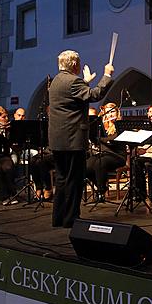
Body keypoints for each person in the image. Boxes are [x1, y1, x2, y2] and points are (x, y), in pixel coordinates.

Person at [49, 50, 114, 227]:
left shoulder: (56, 81)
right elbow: (94, 95)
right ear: (74, 65)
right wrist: (106, 75)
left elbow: (71, 97)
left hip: (58, 140)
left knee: (62, 179)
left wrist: (85, 82)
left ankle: (58, 218)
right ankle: (71, 219)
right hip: (72, 140)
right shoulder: (73, 81)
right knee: (74, 181)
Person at [86, 102, 127, 202]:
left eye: (113, 112)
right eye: (108, 112)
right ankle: (101, 186)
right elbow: (96, 139)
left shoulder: (120, 125)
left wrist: (101, 139)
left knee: (100, 163)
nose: (110, 114)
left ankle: (101, 191)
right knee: (86, 166)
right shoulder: (101, 126)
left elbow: (113, 140)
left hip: (117, 156)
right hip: (104, 154)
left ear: (117, 113)